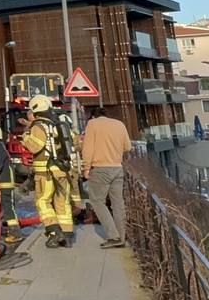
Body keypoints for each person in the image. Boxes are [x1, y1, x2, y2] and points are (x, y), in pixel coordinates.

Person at [21, 95, 75, 248]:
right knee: (62, 202)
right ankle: (67, 234)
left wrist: (25, 136)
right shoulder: (56, 124)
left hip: (46, 172)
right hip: (61, 170)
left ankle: (53, 232)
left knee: (43, 201)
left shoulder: (39, 126)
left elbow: (34, 147)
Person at [81, 106, 132, 249]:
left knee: (97, 201)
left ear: (93, 116)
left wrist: (86, 168)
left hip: (100, 169)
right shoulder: (119, 124)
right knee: (118, 203)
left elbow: (88, 148)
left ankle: (113, 236)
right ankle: (121, 237)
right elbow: (127, 147)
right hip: (117, 168)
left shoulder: (92, 124)